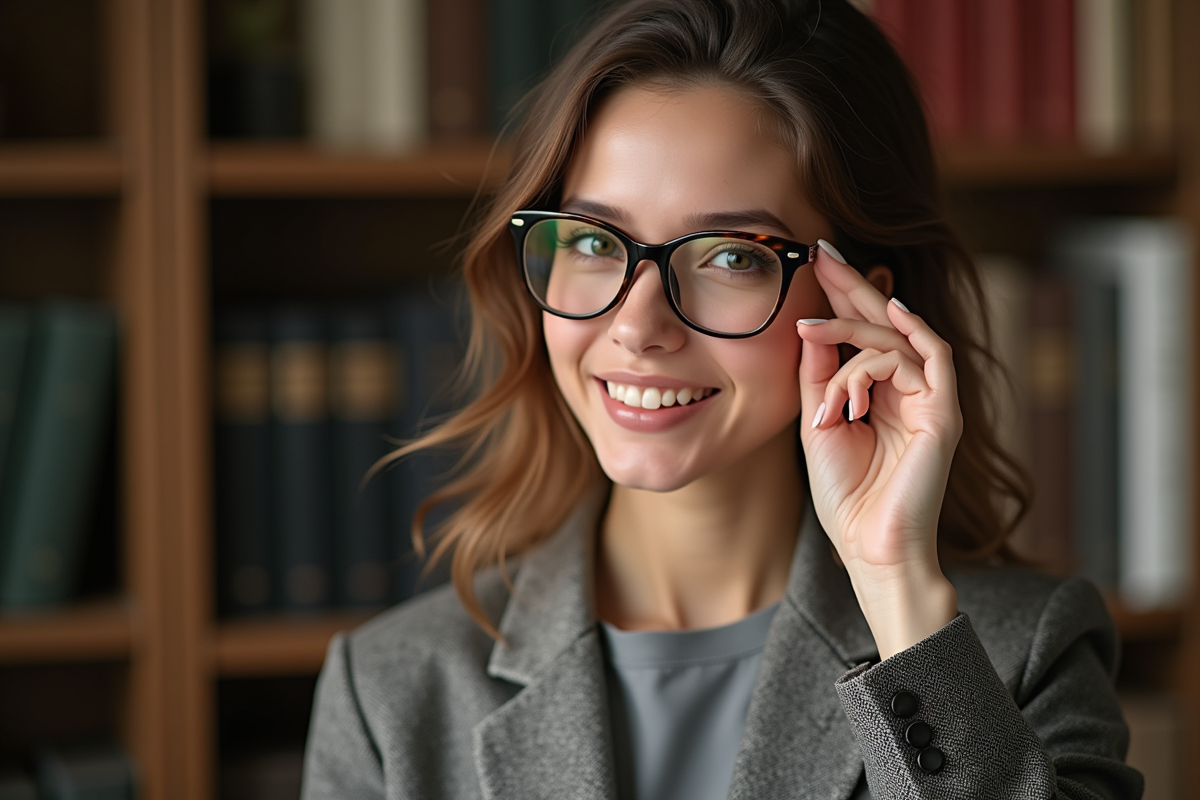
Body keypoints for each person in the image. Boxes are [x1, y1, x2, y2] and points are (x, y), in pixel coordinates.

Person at [300, 1, 1144, 798]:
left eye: (731, 256)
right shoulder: (389, 692)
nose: (639, 325)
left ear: (858, 312)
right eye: (594, 241)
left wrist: (894, 587)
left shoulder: (1025, 656)